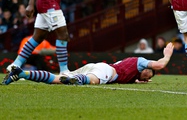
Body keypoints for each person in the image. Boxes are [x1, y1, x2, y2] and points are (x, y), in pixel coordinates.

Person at [3, 43, 174, 85]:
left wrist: (139, 81)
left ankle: (22, 73)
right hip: (105, 71)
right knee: (90, 81)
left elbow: (134, 78)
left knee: (58, 79)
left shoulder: (132, 74)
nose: (146, 76)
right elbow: (158, 65)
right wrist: (166, 57)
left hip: (97, 66)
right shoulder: (141, 62)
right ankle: (77, 80)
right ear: (146, 69)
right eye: (147, 74)